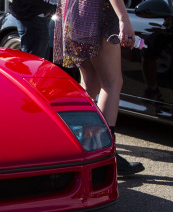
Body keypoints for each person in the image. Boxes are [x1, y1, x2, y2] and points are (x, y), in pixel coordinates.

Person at [53, 0, 144, 176]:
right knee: (112, 83)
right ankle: (105, 155)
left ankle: (84, 147)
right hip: (97, 13)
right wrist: (124, 19)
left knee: (90, 83)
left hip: (75, 13)